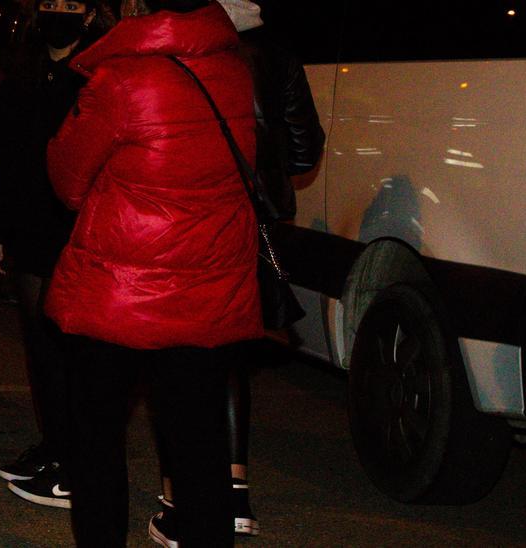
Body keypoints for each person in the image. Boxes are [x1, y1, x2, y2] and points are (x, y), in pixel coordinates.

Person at [45, 1, 261, 545]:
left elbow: (68, 180)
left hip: (117, 292)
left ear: (136, 6)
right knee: (199, 448)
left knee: (97, 443)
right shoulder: (233, 69)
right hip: (207, 288)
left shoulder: (119, 78)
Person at [145, 0, 328, 542]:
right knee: (231, 355)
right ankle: (236, 492)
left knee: (177, 354)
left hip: (192, 215)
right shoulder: (274, 57)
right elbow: (304, 150)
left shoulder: (182, 52)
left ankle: (182, 497)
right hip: (261, 219)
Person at [0, 0, 104, 510]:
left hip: (78, 229)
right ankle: (55, 444)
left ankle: (77, 458)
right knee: (40, 348)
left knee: (71, 350)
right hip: (29, 225)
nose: (58, 13)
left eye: (69, 5)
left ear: (91, 15)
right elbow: (5, 152)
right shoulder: (26, 69)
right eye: (49, 4)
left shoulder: (99, 74)